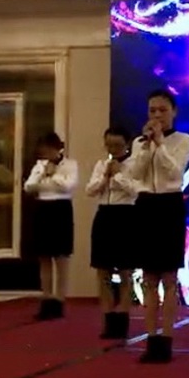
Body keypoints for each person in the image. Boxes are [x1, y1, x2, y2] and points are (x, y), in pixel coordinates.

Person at [129, 89, 189, 363]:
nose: (157, 115)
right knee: (149, 278)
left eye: (163, 110)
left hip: (169, 205)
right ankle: (150, 339)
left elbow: (174, 171)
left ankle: (166, 339)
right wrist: (147, 146)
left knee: (169, 277)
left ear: (174, 112)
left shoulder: (184, 139)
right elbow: (134, 173)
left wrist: (160, 144)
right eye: (152, 110)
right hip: (146, 206)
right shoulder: (139, 142)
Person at [85, 126, 138, 339]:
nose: (113, 149)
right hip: (104, 215)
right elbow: (90, 190)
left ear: (127, 144)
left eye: (117, 145)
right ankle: (108, 319)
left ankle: (123, 319)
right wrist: (105, 177)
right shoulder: (101, 164)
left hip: (126, 216)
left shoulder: (135, 164)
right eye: (109, 145)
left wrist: (117, 176)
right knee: (102, 270)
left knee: (125, 270)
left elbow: (136, 190)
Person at [24, 132, 78, 320]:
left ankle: (59, 300)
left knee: (61, 257)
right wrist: (42, 175)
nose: (45, 153)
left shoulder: (70, 165)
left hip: (61, 209)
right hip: (43, 208)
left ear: (57, 148)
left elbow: (68, 186)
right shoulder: (39, 165)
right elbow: (29, 186)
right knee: (44, 257)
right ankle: (46, 299)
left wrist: (53, 176)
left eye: (48, 149)